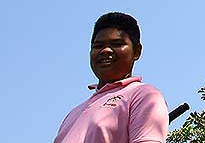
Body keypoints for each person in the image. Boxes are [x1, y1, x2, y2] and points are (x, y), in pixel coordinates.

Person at [54, 12, 169, 143]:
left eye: (117, 44)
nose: (105, 51)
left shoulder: (143, 95)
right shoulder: (72, 114)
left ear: (137, 51)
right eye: (98, 46)